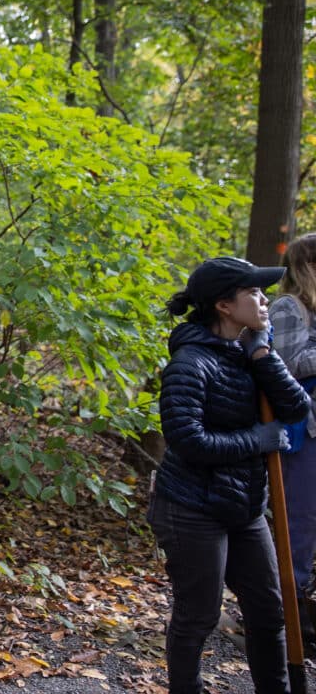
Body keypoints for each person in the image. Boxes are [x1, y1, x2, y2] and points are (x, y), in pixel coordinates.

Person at [150, 256, 311, 694]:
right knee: (199, 614)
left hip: (244, 505)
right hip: (191, 508)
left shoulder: (249, 351)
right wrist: (255, 441)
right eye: (253, 293)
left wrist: (262, 351)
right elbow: (188, 440)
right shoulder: (190, 363)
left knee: (268, 610)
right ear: (224, 305)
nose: (264, 300)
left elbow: (296, 408)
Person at [269, 233, 316, 650]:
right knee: (299, 522)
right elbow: (286, 367)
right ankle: (288, 614)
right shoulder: (289, 307)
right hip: (303, 433)